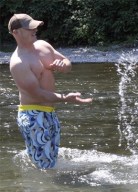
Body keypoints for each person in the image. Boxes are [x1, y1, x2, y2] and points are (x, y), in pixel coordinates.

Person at [8, 13, 93, 169]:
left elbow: (67, 64)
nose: (35, 30)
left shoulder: (43, 45)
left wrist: (63, 65)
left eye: (35, 26)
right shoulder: (18, 63)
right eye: (29, 28)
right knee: (45, 168)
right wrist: (66, 98)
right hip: (33, 116)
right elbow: (37, 94)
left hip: (50, 112)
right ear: (16, 32)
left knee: (51, 163)